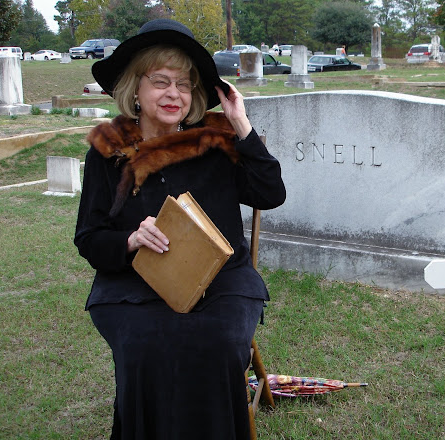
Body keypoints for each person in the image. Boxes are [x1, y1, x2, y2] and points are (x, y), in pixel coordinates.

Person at [74, 18, 286, 439]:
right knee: (145, 346)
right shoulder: (108, 153)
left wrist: (241, 124)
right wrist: (130, 240)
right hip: (133, 286)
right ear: (136, 88)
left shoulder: (217, 143)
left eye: (185, 84)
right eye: (161, 81)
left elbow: (270, 193)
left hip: (222, 283)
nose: (174, 94)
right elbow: (90, 238)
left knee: (218, 343)